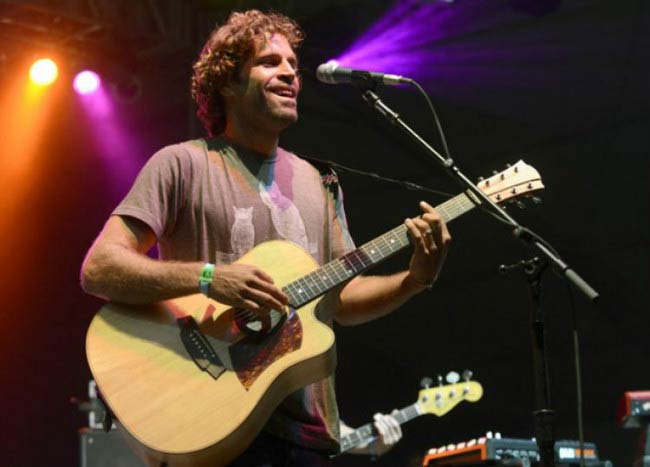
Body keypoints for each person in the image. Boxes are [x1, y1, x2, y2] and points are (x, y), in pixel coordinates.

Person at [80, 9, 450, 467]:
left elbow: (343, 299)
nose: (290, 72)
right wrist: (208, 277)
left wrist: (414, 279)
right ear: (228, 83)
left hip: (308, 439)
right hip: (209, 421)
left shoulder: (320, 182)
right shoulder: (182, 164)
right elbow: (100, 269)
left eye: (293, 63)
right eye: (270, 61)